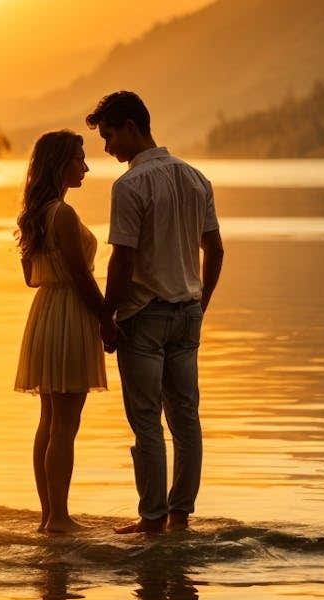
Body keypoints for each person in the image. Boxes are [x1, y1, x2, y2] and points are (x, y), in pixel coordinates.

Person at [86, 92, 224, 534]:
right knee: (186, 419)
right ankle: (179, 517)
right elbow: (215, 249)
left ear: (131, 126)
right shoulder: (197, 179)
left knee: (146, 421)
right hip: (187, 312)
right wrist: (200, 303)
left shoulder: (130, 186)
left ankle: (151, 519)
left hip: (143, 317)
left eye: (109, 136)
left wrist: (106, 317)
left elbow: (122, 260)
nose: (107, 147)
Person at [14, 130, 119, 534]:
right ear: (60, 164)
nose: (86, 166)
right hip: (70, 315)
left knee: (49, 419)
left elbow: (30, 278)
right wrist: (106, 318)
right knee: (65, 424)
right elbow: (80, 276)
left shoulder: (34, 215)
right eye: (79, 158)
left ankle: (49, 515)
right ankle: (58, 517)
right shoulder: (63, 214)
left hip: (44, 313)